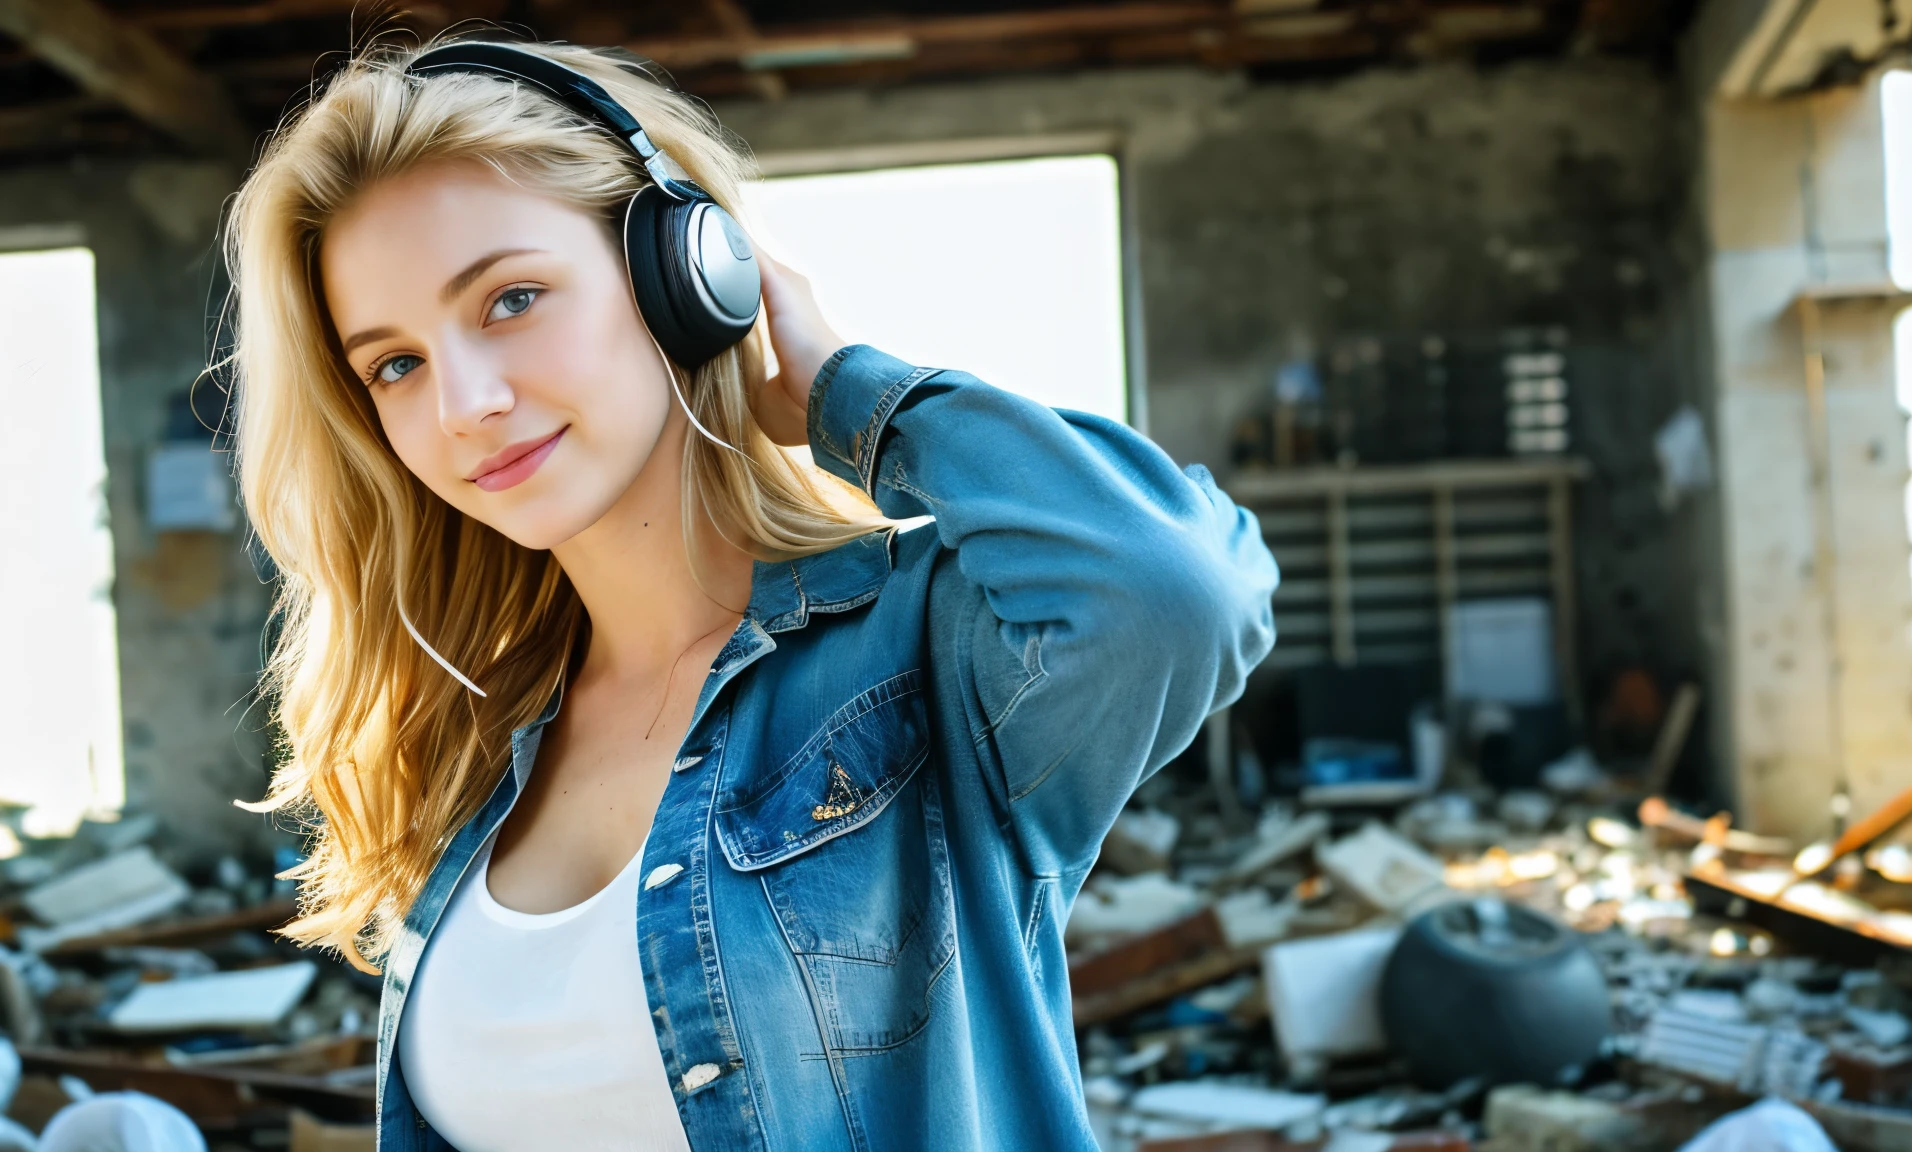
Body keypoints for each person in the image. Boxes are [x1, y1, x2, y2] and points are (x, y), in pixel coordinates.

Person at [228, 35, 1277, 1151]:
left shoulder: (918, 655)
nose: (462, 404)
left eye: (511, 299)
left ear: (687, 277)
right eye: (395, 364)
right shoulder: (465, 743)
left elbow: (1174, 592)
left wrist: (838, 389)